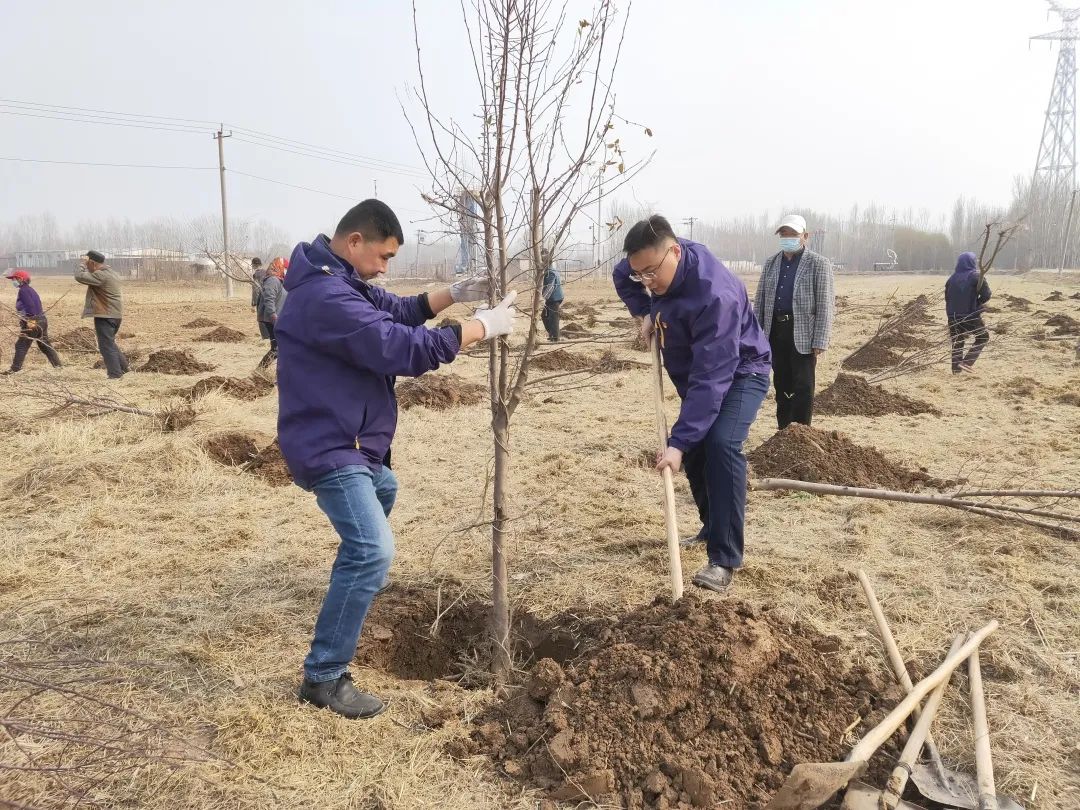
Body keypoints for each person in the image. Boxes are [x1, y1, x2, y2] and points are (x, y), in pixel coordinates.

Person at [276, 199, 517, 719]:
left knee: (384, 489)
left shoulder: (340, 279)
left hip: (352, 443)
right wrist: (478, 328)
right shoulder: (325, 296)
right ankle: (324, 677)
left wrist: (455, 293)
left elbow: (398, 310)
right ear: (354, 242)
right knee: (372, 550)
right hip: (329, 444)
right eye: (383, 256)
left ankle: (358, 579)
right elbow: (398, 346)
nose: (385, 268)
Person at [613, 215, 771, 593]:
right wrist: (645, 311)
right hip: (697, 376)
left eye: (651, 273)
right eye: (640, 274)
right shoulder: (650, 264)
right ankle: (711, 527)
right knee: (697, 449)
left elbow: (712, 378)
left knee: (719, 444)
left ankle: (724, 559)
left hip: (740, 373)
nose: (647, 281)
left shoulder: (716, 295)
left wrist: (678, 443)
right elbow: (622, 275)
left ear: (675, 252)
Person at [753, 214, 834, 429]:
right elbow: (760, 302)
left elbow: (825, 304)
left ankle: (801, 433)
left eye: (793, 234)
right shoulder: (771, 264)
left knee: (803, 386)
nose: (788, 238)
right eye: (784, 234)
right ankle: (784, 431)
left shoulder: (818, 264)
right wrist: (756, 335)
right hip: (776, 331)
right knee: (782, 383)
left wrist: (820, 340)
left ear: (805, 236)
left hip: (803, 333)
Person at [74, 250, 128, 379]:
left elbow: (79, 276)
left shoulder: (101, 275)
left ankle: (115, 375)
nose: (87, 266)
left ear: (92, 263)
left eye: (88, 263)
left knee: (105, 346)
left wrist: (81, 264)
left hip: (105, 315)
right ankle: (124, 369)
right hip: (115, 315)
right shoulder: (111, 273)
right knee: (110, 343)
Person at [3, 270, 62, 374]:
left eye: (14, 279)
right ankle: (58, 366)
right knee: (44, 344)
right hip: (42, 319)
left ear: (20, 279)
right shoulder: (30, 290)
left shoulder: (23, 291)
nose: (13, 281)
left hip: (33, 321)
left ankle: (15, 369)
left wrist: (30, 321)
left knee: (21, 345)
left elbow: (30, 306)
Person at [945, 251, 991, 374]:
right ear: (972, 262)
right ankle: (966, 362)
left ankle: (956, 370)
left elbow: (947, 298)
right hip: (969, 315)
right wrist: (977, 303)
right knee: (983, 337)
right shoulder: (976, 277)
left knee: (957, 341)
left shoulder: (951, 279)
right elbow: (987, 294)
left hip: (952, 316)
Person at [257, 257, 287, 368]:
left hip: (276, 318)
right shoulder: (273, 280)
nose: (287, 271)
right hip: (271, 319)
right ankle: (259, 371)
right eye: (285, 268)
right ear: (279, 267)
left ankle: (281, 372)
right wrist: (273, 315)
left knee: (281, 348)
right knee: (276, 349)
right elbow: (269, 298)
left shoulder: (279, 280)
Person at [540, 251, 564, 342]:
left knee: (553, 318)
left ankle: (555, 338)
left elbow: (550, 287)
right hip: (553, 298)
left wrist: (543, 298)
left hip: (554, 298)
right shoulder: (551, 270)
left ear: (545, 263)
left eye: (542, 262)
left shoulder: (550, 272)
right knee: (545, 316)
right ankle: (552, 334)